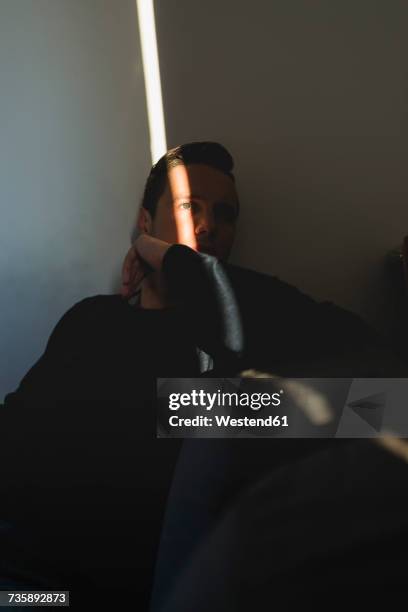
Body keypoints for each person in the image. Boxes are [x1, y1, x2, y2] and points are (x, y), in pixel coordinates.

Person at [1, 142, 406, 607]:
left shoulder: (249, 336)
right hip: (35, 586)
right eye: (187, 205)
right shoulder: (91, 321)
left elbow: (386, 403)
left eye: (224, 215)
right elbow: (17, 433)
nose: (209, 225)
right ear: (145, 221)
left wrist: (173, 259)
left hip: (141, 589)